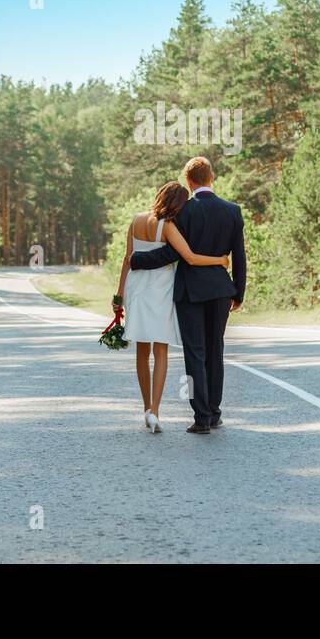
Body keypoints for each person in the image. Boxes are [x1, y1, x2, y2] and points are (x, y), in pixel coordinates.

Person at [128, 157, 246, 434]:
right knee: (216, 350)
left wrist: (136, 260)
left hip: (189, 292)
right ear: (212, 178)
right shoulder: (233, 211)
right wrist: (238, 292)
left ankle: (201, 416)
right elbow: (239, 256)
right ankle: (215, 412)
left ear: (189, 180)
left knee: (195, 353)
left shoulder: (183, 212)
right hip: (220, 290)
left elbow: (173, 253)